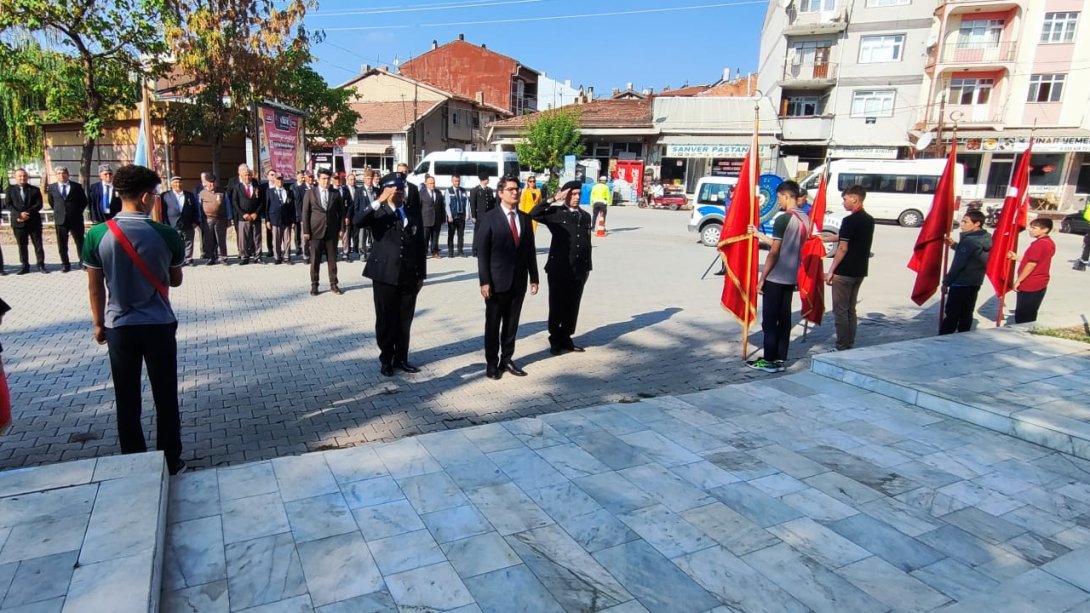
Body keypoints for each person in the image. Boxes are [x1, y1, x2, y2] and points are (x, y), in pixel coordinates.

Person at [82, 164, 186, 475]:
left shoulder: (97, 234)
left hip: (119, 327)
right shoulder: (166, 234)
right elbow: (176, 280)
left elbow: (95, 286)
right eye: (154, 194)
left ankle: (135, 462)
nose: (156, 200)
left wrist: (98, 324)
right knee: (165, 395)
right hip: (158, 325)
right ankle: (170, 459)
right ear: (144, 197)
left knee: (126, 398)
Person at [354, 172, 427, 377]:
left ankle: (401, 358)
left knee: (405, 320)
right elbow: (358, 221)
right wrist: (378, 200)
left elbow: (420, 244)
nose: (401, 192)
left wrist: (421, 275)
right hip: (384, 275)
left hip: (408, 275)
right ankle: (386, 359)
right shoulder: (379, 211)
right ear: (387, 190)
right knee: (386, 319)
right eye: (396, 188)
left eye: (402, 188)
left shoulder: (412, 211)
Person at [478, 175, 539, 379]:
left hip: (518, 282)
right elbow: (483, 253)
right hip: (496, 283)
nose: (516, 192)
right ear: (500, 193)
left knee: (512, 324)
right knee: (493, 324)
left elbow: (530, 250)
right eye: (511, 189)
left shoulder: (524, 218)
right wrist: (484, 281)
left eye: (517, 189)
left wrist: (534, 277)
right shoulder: (489, 218)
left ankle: (507, 359)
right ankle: (492, 363)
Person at [746, 180, 810, 373]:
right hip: (791, 275)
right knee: (784, 319)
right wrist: (758, 234)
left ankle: (769, 359)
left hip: (776, 276)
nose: (779, 202)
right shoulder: (805, 218)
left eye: (780, 198)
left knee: (769, 320)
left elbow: (774, 251)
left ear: (787, 196)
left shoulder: (784, 219)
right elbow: (780, 243)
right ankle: (781, 357)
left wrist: (762, 276)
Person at [530, 181, 592, 355]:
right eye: (573, 194)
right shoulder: (556, 213)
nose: (577, 197)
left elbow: (586, 241)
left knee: (573, 304)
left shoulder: (585, 216)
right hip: (559, 268)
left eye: (579, 194)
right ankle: (555, 338)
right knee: (557, 304)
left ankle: (566, 337)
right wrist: (553, 198)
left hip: (579, 268)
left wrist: (587, 267)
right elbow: (533, 213)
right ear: (566, 195)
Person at [824, 185, 874, 351]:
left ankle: (841, 345)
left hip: (845, 271)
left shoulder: (849, 220)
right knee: (850, 310)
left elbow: (843, 247)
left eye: (845, 199)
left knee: (840, 311)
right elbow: (846, 235)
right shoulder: (868, 219)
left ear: (855, 199)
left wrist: (831, 271)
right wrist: (826, 238)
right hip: (860, 270)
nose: (843, 202)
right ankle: (849, 342)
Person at [939, 210, 992, 335]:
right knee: (966, 313)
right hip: (974, 282)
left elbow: (958, 264)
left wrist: (946, 282)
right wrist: (955, 245)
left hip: (960, 282)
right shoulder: (984, 238)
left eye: (965, 222)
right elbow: (972, 255)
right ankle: (964, 337)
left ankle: (943, 340)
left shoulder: (969, 241)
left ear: (977, 224)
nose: (962, 225)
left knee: (952, 314)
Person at [302, 169, 346, 295]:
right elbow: (305, 213)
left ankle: (334, 284)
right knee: (315, 260)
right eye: (323, 178)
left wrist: (341, 229)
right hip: (315, 231)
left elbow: (341, 213)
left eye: (328, 178)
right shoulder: (310, 193)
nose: (326, 181)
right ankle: (314, 285)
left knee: (332, 260)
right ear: (318, 179)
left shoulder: (335, 193)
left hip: (331, 232)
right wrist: (306, 231)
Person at [1009, 218, 1056, 324]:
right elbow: (1035, 260)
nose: (1030, 230)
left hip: (1031, 283)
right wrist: (1017, 258)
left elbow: (1031, 264)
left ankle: (1022, 336)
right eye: (1031, 227)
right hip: (1040, 282)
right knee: (1029, 313)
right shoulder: (1048, 242)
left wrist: (1018, 281)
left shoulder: (1040, 244)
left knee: (1023, 315)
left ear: (1045, 230)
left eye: (1034, 228)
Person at [4, 169, 47, 274]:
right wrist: (19, 214)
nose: (22, 178)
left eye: (24, 176)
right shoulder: (10, 190)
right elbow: (8, 205)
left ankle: (41, 265)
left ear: (27, 177)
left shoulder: (34, 189)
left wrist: (27, 213)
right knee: (22, 245)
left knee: (38, 244)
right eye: (20, 176)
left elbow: (38, 204)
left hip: (33, 222)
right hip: (18, 222)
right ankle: (25, 266)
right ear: (15, 177)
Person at [48, 165, 89, 272]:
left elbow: (83, 201)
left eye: (63, 173)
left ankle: (83, 262)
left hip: (76, 219)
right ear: (56, 175)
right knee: (62, 244)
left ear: (68, 174)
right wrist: (60, 212)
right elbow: (52, 202)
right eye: (59, 173)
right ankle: (65, 264)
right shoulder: (52, 188)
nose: (61, 175)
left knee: (80, 242)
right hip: (61, 220)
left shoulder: (76, 186)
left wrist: (76, 212)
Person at [160, 176, 202, 266]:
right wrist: (164, 223)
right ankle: (178, 260)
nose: (177, 184)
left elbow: (195, 209)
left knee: (189, 241)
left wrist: (195, 221)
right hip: (172, 223)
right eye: (175, 182)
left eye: (179, 182)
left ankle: (188, 259)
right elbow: (163, 210)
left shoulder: (189, 195)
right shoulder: (165, 195)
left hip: (187, 223)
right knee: (176, 243)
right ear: (171, 184)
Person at [229, 164, 262, 264]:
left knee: (257, 237)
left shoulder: (256, 186)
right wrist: (243, 214)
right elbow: (234, 202)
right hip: (243, 217)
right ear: (241, 176)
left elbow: (261, 201)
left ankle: (258, 256)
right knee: (243, 239)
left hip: (255, 217)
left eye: (249, 175)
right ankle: (244, 257)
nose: (247, 177)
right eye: (245, 175)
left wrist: (255, 213)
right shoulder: (237, 187)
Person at [199, 173, 229, 265]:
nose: (212, 184)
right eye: (210, 182)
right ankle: (211, 257)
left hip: (220, 219)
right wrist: (199, 220)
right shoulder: (201, 193)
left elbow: (228, 205)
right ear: (205, 183)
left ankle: (222, 257)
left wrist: (229, 218)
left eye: (213, 182)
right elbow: (198, 207)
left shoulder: (222, 192)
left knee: (221, 239)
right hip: (207, 219)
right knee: (209, 240)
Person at [265, 172, 295, 264]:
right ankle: (277, 258)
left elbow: (292, 206)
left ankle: (287, 257)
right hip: (275, 219)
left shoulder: (288, 191)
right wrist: (267, 220)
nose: (280, 181)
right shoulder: (270, 191)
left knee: (287, 240)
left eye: (281, 179)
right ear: (274, 180)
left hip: (287, 219)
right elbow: (267, 206)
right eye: (278, 179)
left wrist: (293, 220)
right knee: (276, 240)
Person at [470, 172, 496, 257]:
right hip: (479, 215)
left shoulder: (489, 190)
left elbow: (492, 203)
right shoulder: (475, 190)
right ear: (483, 180)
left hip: (488, 215)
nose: (488, 180)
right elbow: (473, 204)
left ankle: (486, 249)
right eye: (487, 179)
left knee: (488, 232)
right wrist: (473, 216)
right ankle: (475, 249)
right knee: (478, 232)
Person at [355, 170, 379, 259]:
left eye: (371, 178)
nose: (369, 180)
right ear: (364, 179)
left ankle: (374, 252)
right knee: (362, 236)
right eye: (368, 178)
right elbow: (356, 206)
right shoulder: (359, 191)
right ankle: (362, 253)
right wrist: (358, 217)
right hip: (363, 217)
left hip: (374, 217)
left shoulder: (376, 190)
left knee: (374, 236)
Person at [420, 175, 445, 258]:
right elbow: (419, 207)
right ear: (426, 183)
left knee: (435, 237)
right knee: (425, 238)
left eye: (433, 183)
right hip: (425, 219)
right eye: (430, 183)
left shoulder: (438, 193)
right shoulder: (421, 193)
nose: (432, 185)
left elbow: (442, 206)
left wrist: (443, 218)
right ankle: (424, 252)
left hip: (437, 219)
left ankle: (435, 252)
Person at [446, 174, 469, 258]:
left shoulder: (463, 191)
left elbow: (466, 203)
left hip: (461, 216)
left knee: (461, 235)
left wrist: (467, 214)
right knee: (451, 235)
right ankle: (450, 252)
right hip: (452, 216)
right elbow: (447, 205)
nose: (457, 182)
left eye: (458, 181)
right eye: (456, 181)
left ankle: (460, 251)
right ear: (452, 181)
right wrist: (449, 216)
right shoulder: (449, 191)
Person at [293, 170, 312, 263]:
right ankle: (306, 256)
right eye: (309, 177)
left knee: (314, 238)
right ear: (305, 178)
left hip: (314, 218)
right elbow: (298, 205)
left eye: (312, 177)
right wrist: (301, 218)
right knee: (305, 238)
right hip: (304, 217)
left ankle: (314, 255)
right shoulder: (299, 189)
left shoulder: (316, 188)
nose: (311, 179)